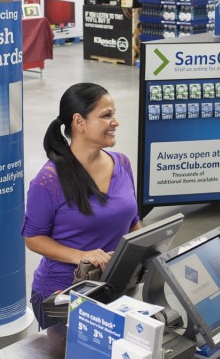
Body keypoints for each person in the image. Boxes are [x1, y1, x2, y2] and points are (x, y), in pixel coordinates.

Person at [22, 83, 141, 329]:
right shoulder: (49, 180)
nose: (116, 122)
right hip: (64, 293)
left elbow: (132, 222)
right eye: (106, 115)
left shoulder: (122, 163)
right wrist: (82, 256)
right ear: (79, 122)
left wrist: (148, 249)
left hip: (113, 287)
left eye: (114, 114)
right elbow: (33, 238)